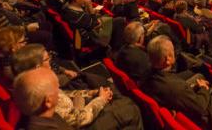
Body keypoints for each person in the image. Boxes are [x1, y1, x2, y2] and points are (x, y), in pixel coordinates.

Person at [12, 44, 143, 129]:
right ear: (37, 67)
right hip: (83, 120)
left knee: (119, 100)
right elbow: (79, 120)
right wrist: (100, 100)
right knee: (130, 108)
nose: (51, 61)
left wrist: (90, 93)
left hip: (78, 107)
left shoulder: (35, 87)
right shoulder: (43, 99)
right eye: (47, 59)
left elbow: (63, 94)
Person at [142, 35, 212, 129]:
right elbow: (201, 107)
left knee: (199, 76)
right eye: (172, 51)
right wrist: (203, 88)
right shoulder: (176, 87)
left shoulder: (146, 74)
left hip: (176, 95)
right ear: (167, 60)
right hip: (200, 111)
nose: (175, 53)